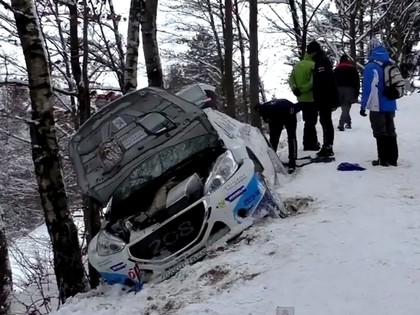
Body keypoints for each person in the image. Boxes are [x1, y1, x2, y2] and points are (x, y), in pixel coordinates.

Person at [360, 40, 399, 167]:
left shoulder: (371, 66)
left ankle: (383, 159)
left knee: (380, 131)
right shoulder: (391, 62)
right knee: (390, 130)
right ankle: (393, 159)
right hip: (391, 103)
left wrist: (363, 106)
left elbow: (367, 89)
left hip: (377, 104)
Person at [306, 40, 339, 158]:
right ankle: (327, 145)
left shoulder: (321, 62)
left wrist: (320, 98)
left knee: (326, 122)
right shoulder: (321, 60)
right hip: (325, 97)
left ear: (312, 51)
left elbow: (324, 82)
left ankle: (328, 147)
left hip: (325, 98)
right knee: (325, 121)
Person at [255, 99, 300, 174]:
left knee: (291, 137)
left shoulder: (264, 109)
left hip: (288, 113)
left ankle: (292, 161)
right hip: (276, 117)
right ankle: (271, 160)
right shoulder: (263, 109)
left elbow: (296, 107)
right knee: (274, 139)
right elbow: (267, 120)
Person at [289, 53, 320, 151]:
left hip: (301, 98)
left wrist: (295, 89)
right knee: (312, 121)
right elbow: (312, 82)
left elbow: (291, 79)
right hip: (311, 98)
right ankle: (311, 143)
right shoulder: (313, 65)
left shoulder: (297, 65)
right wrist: (303, 89)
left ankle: (307, 142)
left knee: (307, 121)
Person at [333, 54, 360, 131]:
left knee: (344, 107)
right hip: (350, 90)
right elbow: (356, 82)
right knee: (346, 107)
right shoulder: (353, 69)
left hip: (339, 90)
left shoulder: (337, 70)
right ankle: (342, 123)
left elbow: (333, 81)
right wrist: (356, 93)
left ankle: (346, 122)